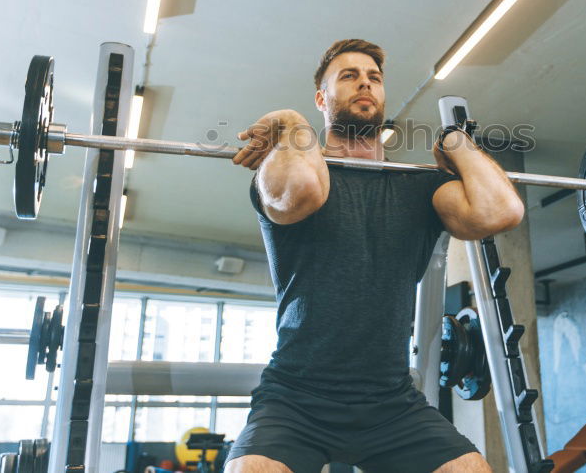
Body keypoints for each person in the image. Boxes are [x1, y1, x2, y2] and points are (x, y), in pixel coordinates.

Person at [225, 39, 525, 473]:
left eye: (375, 78)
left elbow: (502, 211)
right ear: (320, 98)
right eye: (349, 76)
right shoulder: (287, 166)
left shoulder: (420, 189)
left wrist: (457, 143)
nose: (365, 83)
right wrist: (291, 123)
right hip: (294, 400)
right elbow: (300, 194)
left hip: (391, 403)